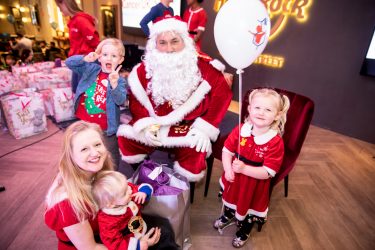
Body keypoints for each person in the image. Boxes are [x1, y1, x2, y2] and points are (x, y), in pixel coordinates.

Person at [117, 16, 233, 182]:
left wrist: (205, 128)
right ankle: (145, 175)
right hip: (155, 124)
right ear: (154, 45)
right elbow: (136, 100)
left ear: (184, 41)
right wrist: (147, 124)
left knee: (196, 149)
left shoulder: (204, 66)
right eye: (162, 42)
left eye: (174, 41)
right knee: (127, 137)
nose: (169, 48)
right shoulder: (143, 69)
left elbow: (222, 95)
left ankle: (181, 186)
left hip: (189, 126)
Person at [213, 88, 290, 248]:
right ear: (249, 109)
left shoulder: (275, 142)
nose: (261, 113)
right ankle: (227, 215)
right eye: (257, 108)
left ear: (277, 115)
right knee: (230, 200)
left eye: (268, 109)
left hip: (253, 186)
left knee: (247, 210)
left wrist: (244, 169)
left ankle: (244, 231)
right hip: (234, 178)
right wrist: (228, 169)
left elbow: (268, 172)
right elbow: (227, 151)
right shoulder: (241, 129)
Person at [44, 121, 113, 249]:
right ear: (71, 156)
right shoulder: (67, 204)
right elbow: (90, 248)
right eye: (84, 149)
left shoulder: (93, 171)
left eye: (97, 144)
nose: (95, 153)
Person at [65, 38, 127, 170]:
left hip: (106, 128)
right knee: (85, 152)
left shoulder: (119, 80)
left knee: (111, 155)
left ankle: (111, 178)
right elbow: (69, 63)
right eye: (105, 55)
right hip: (85, 124)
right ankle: (88, 173)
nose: (108, 58)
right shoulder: (90, 69)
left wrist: (114, 84)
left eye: (114, 55)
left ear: (120, 60)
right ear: (99, 57)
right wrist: (84, 59)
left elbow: (121, 100)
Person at [92, 171, 178, 250]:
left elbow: (142, 187)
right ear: (111, 204)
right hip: (130, 242)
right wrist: (137, 246)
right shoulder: (107, 221)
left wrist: (143, 192)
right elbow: (114, 244)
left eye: (127, 186)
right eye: (125, 193)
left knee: (165, 228)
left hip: (141, 226)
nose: (130, 190)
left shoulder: (126, 191)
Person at [54, 0, 100, 93]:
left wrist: (89, 58)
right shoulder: (73, 20)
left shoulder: (80, 20)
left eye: (59, 7)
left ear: (65, 3)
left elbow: (94, 41)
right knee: (76, 91)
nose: (60, 10)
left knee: (83, 93)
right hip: (78, 61)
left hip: (85, 62)